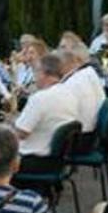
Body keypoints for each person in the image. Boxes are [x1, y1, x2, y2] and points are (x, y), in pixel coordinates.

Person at [12, 53, 77, 192]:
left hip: (35, 160)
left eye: (36, 71)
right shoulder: (70, 93)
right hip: (57, 160)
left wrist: (10, 122)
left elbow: (21, 133)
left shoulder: (40, 98)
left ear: (44, 74)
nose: (34, 77)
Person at [59, 43, 105, 136]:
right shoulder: (89, 72)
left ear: (76, 60)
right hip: (92, 133)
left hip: (78, 137)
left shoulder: (72, 83)